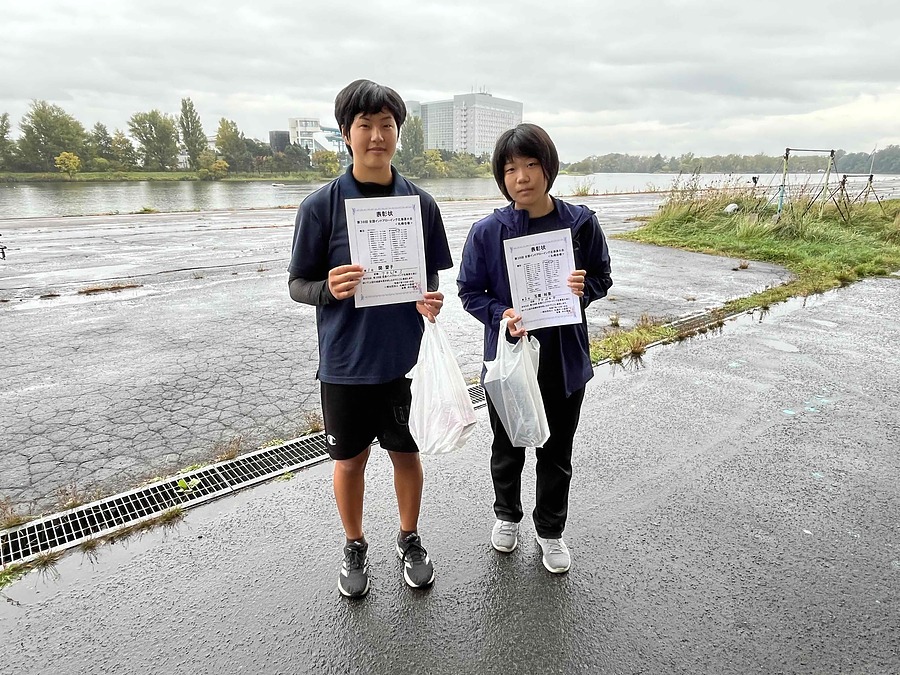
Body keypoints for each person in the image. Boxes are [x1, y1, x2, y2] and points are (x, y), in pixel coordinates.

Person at [288, 79, 453, 598]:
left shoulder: (420, 204)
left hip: (405, 361)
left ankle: (409, 538)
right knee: (349, 459)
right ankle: (355, 544)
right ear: (346, 134)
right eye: (366, 125)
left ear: (398, 134)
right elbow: (297, 284)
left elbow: (431, 277)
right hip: (345, 362)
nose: (377, 135)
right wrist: (327, 289)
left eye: (387, 125)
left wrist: (430, 297)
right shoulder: (320, 206)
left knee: (407, 454)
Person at [457, 123, 612, 574]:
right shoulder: (488, 231)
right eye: (509, 169)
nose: (521, 177)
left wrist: (584, 289)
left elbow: (602, 277)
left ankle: (551, 530)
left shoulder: (580, 224)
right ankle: (507, 516)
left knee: (556, 451)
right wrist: (500, 314)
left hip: (563, 359)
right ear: (500, 177)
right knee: (507, 447)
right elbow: (469, 291)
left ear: (548, 168)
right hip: (509, 360)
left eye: (530, 165)